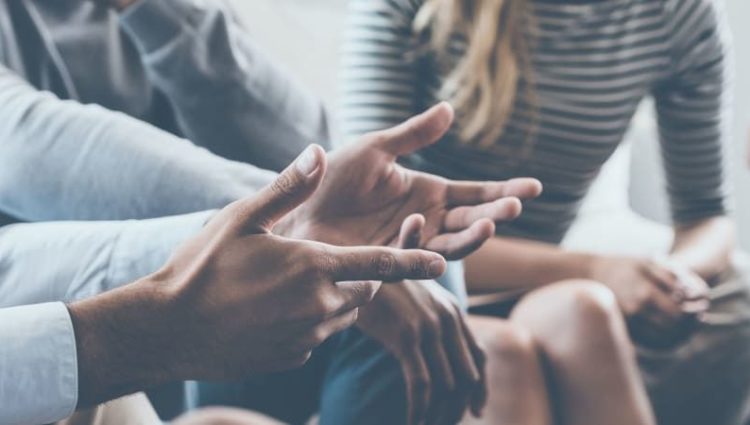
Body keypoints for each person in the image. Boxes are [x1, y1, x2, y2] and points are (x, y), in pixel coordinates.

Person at [0, 1, 546, 421]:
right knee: (370, 277)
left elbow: (303, 145)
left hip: (168, 304)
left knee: (408, 271)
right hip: (47, 323)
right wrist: (294, 225)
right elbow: (26, 142)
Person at [340, 0, 750, 424]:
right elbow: (367, 221)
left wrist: (666, 280)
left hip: (536, 285)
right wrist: (598, 270)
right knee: (502, 354)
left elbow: (707, 216)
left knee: (583, 311)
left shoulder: (675, 13)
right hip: (409, 288)